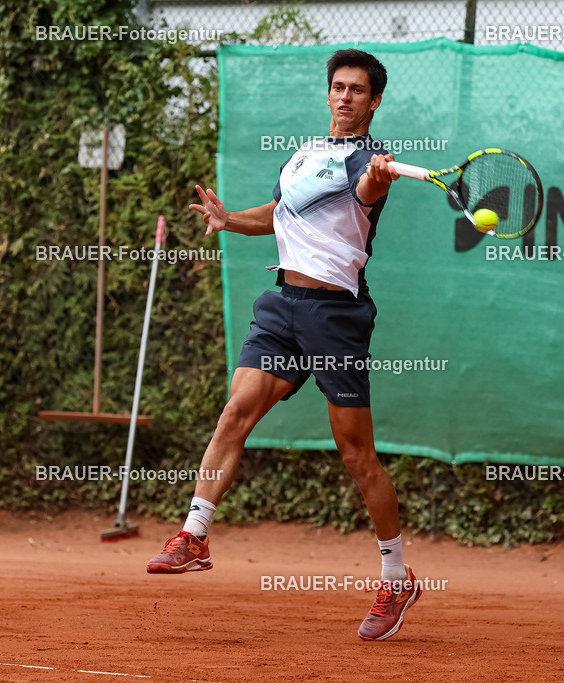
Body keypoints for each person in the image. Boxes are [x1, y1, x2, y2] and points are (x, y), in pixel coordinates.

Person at [146, 49, 421, 641]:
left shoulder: (370, 162)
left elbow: (369, 190)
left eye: (357, 90)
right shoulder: (305, 155)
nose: (345, 96)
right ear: (329, 96)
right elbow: (280, 215)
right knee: (235, 413)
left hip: (335, 316)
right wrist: (229, 221)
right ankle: (194, 534)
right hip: (281, 309)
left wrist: (376, 178)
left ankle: (396, 575)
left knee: (356, 454)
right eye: (338, 87)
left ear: (374, 102)